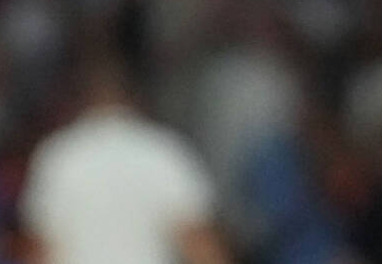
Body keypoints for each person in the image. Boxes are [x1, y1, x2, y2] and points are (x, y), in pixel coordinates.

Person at [18, 50, 234, 264]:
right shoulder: (164, 151)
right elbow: (199, 243)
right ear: (135, 97)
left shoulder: (59, 155)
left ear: (80, 99)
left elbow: (39, 247)